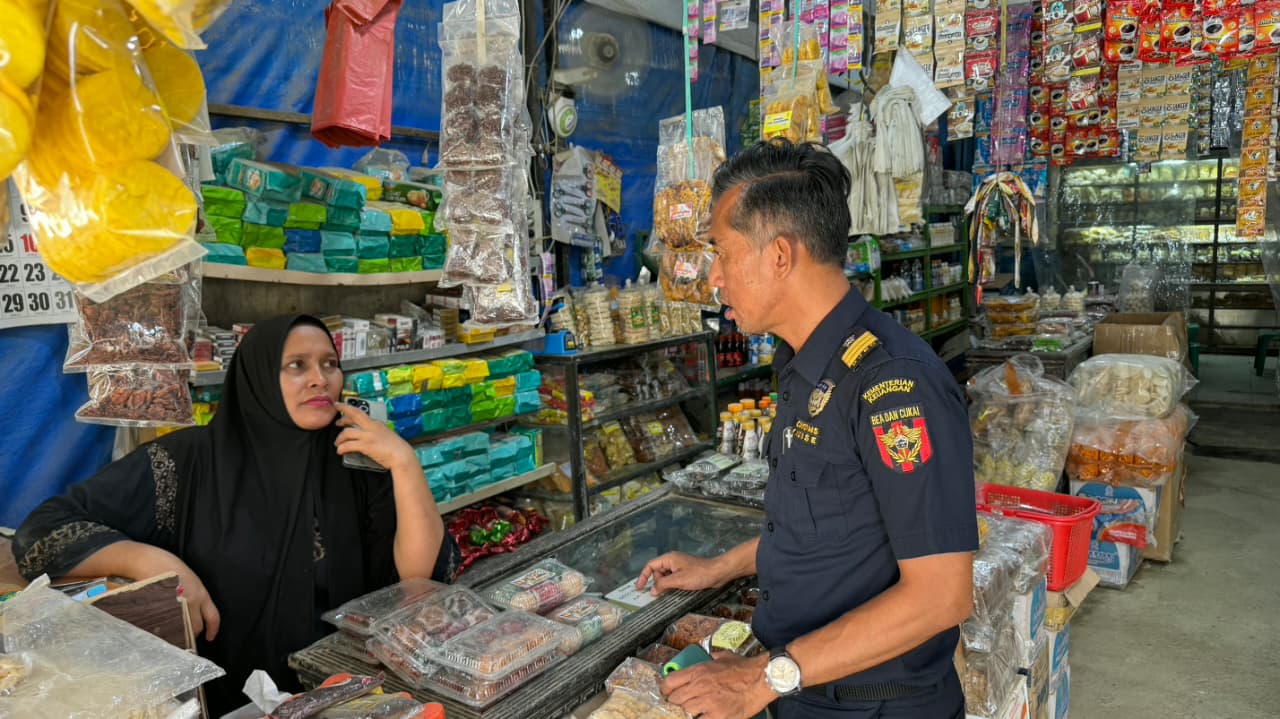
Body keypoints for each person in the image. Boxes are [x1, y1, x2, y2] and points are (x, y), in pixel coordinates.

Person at [638, 140, 979, 719]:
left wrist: (760, 681)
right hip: (803, 692)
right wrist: (718, 568)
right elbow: (827, 531)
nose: (714, 276)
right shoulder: (805, 366)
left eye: (723, 252)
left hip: (874, 706)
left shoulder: (892, 385)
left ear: (779, 256)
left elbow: (941, 596)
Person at [12, 314, 460, 714]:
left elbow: (421, 580)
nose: (320, 379)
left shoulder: (356, 459)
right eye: (296, 365)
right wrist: (156, 563)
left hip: (345, 699)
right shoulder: (189, 462)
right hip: (231, 703)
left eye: (330, 363)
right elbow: (44, 530)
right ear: (258, 377)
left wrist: (404, 464)